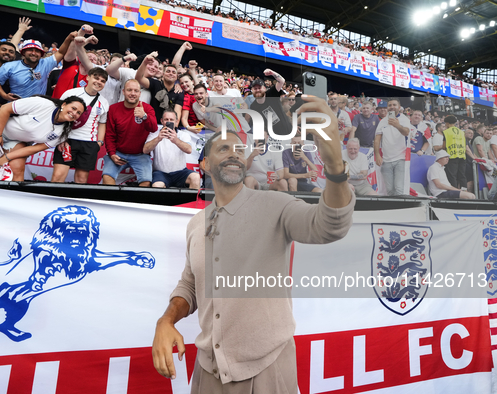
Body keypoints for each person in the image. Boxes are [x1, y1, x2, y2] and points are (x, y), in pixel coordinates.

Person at [151, 95, 355, 392]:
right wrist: (166, 320)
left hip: (268, 369)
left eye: (239, 149)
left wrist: (335, 166)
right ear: (205, 164)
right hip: (208, 370)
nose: (234, 154)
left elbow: (331, 225)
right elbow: (190, 285)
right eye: (224, 148)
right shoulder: (196, 224)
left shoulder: (276, 204)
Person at [0, 96, 86, 181]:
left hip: (17, 140)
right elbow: (5, 109)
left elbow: (35, 149)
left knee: (17, 168)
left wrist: (7, 157)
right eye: (73, 108)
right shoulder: (43, 104)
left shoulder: (63, 132)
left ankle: (14, 205)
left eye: (78, 113)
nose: (74, 113)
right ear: (63, 105)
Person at [51, 67, 109, 184]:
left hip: (89, 143)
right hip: (68, 141)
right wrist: (60, 138)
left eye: (102, 81)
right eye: (96, 78)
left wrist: (99, 142)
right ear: (88, 77)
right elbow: (57, 115)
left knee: (81, 180)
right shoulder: (71, 93)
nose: (98, 82)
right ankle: (52, 202)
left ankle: (76, 202)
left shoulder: (104, 102)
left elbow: (102, 123)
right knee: (58, 177)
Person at [0, 31, 75, 100]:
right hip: (16, 107)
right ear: (23, 52)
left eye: (37, 51)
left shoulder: (45, 64)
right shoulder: (10, 66)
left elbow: (60, 52)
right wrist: (4, 95)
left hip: (36, 108)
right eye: (30, 50)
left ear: (41, 54)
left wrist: (68, 38)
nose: (34, 53)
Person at [102, 79, 156, 186]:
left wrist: (144, 116)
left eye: (136, 91)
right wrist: (112, 154)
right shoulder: (113, 109)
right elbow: (109, 134)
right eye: (129, 90)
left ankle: (135, 203)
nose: (132, 93)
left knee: (146, 183)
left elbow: (154, 128)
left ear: (140, 93)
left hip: (140, 154)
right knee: (107, 177)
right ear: (123, 92)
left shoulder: (147, 108)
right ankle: (111, 202)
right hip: (119, 152)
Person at [143, 110, 200, 189]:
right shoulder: (154, 134)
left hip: (181, 172)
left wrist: (176, 140)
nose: (169, 122)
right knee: (157, 186)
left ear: (176, 122)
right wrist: (158, 138)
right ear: (162, 121)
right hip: (160, 173)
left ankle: (191, 201)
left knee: (196, 177)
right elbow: (145, 150)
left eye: (171, 120)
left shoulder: (183, 134)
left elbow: (189, 150)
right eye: (166, 119)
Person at [374, 98, 412, 195]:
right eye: (390, 105)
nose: (392, 107)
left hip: (400, 159)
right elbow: (377, 139)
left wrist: (397, 125)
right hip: (386, 160)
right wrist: (377, 155)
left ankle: (400, 209)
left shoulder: (404, 119)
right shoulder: (383, 121)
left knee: (399, 189)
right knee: (389, 190)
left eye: (394, 105)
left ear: (399, 107)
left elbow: (407, 132)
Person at [136, 52, 184, 124]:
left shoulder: (179, 91)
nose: (171, 73)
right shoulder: (155, 83)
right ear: (163, 74)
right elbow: (139, 78)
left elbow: (177, 112)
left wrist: (174, 127)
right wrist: (144, 62)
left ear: (176, 77)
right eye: (168, 71)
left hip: (169, 125)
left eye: (174, 72)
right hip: (152, 124)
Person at [250, 69, 292, 138]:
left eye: (259, 88)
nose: (257, 90)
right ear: (252, 90)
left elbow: (282, 81)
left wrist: (272, 73)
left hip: (288, 131)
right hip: (272, 138)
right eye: (255, 88)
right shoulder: (253, 107)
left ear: (264, 88)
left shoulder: (271, 93)